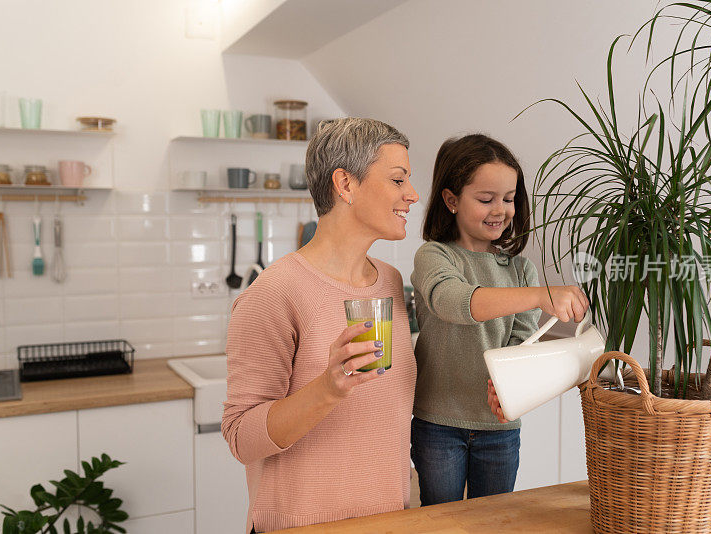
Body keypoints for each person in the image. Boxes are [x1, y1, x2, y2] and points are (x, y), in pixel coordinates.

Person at [222, 118, 419, 533]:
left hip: (389, 519)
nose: (412, 195)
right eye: (398, 180)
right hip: (301, 525)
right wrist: (328, 388)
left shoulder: (390, 281)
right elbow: (241, 436)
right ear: (345, 184)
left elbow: (386, 411)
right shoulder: (274, 293)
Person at [410, 133, 589, 505]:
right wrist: (542, 295)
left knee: (494, 520)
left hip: (500, 429)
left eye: (508, 199)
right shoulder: (434, 256)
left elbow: (519, 348)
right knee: (439, 522)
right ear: (451, 200)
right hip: (438, 425)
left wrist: (510, 390)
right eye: (486, 199)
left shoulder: (521, 270)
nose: (501, 210)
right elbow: (454, 302)